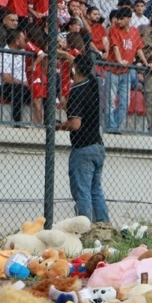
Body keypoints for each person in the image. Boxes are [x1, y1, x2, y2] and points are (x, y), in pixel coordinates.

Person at [59, 54, 108, 222]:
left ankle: (84, 227)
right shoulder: (93, 84)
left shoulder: (76, 90)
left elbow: (75, 124)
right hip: (97, 146)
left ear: (75, 68)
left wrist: (58, 126)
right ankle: (103, 226)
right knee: (96, 190)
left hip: (83, 148)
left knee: (82, 193)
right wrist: (65, 54)